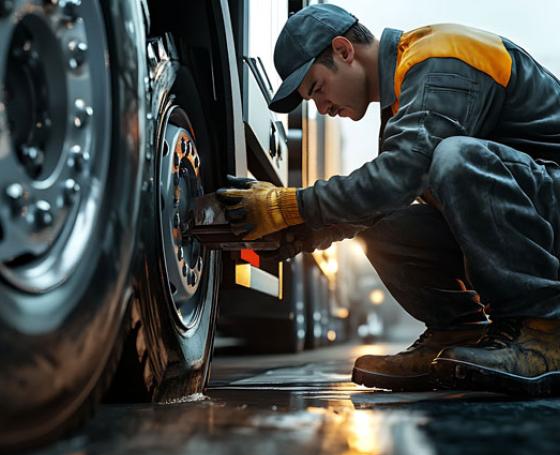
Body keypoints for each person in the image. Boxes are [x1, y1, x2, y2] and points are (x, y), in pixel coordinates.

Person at [216, 3, 560, 396]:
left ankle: (544, 330)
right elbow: (381, 198)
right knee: (381, 219)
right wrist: (299, 235)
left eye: (317, 89)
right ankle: (456, 331)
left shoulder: (440, 55)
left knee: (454, 157)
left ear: (344, 51)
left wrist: (286, 206)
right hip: (536, 217)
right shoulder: (403, 103)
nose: (323, 108)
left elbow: (399, 175)